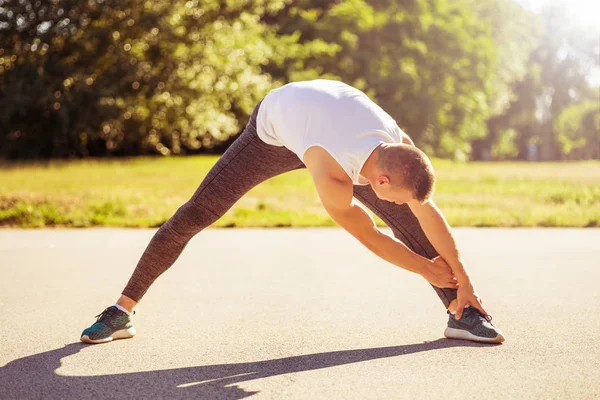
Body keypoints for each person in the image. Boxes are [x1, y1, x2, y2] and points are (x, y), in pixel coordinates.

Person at [80, 79, 504, 345]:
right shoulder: (334, 173)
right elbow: (367, 232)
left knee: (416, 224)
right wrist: (423, 268)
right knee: (196, 212)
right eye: (393, 195)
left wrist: (460, 278)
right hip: (274, 130)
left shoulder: (399, 149)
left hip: (327, 120)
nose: (393, 201)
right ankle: (121, 311)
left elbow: (427, 212)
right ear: (381, 182)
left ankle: (464, 310)